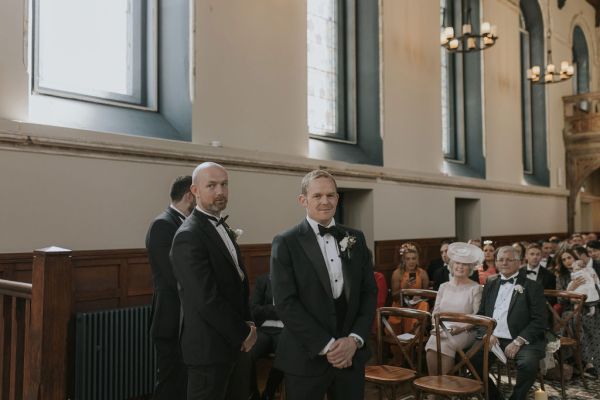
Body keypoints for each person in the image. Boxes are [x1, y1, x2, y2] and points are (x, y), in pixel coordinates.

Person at [270, 169, 377, 400]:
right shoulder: (286, 242)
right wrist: (328, 346)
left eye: (330, 195)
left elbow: (369, 293)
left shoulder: (356, 239)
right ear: (303, 200)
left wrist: (354, 339)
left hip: (351, 356)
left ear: (338, 199)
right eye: (317, 196)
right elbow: (285, 302)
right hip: (305, 357)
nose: (325, 201)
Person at [170, 162, 257, 400]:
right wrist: (244, 333)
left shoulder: (221, 225)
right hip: (209, 348)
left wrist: (248, 322)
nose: (220, 191)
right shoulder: (189, 235)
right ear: (195, 190)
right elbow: (206, 299)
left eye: (224, 184)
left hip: (234, 344)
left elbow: (237, 284)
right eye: (211, 185)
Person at [473, 246, 547, 400]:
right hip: (494, 338)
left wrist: (519, 340)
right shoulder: (491, 282)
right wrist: (488, 334)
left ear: (519, 263)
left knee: (528, 364)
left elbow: (540, 320)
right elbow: (481, 315)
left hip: (522, 339)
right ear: (496, 262)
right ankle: (494, 397)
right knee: (470, 359)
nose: (504, 263)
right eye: (500, 259)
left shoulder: (532, 286)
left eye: (509, 259)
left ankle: (517, 397)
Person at [145, 175, 195, 400]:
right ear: (189, 195)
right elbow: (171, 275)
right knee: (169, 380)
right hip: (171, 315)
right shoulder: (162, 225)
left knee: (184, 380)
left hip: (187, 318)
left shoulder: (186, 223)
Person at [425, 242, 483, 376]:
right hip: (443, 329)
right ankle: (434, 387)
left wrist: (461, 329)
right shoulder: (444, 286)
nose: (460, 267)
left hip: (467, 330)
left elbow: (477, 316)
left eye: (464, 264)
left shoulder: (475, 288)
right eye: (457, 263)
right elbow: (436, 312)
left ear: (470, 268)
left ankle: (446, 389)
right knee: (431, 343)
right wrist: (436, 326)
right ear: (452, 265)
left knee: (447, 344)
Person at [556, 248, 600, 377]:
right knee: (576, 320)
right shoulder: (562, 277)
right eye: (563, 260)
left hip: (591, 306)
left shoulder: (588, 271)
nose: (567, 261)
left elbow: (596, 290)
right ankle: (587, 363)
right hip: (571, 309)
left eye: (569, 257)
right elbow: (560, 300)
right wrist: (571, 289)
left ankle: (590, 362)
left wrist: (594, 282)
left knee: (590, 319)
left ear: (575, 258)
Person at [249, 274, 284, 400]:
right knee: (248, 353)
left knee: (285, 355)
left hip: (286, 332)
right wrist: (278, 310)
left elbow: (295, 309)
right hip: (264, 330)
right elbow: (254, 310)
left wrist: (267, 310)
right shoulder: (262, 281)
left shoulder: (295, 279)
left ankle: (269, 393)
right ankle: (253, 394)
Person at [390, 243, 429, 332]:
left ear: (417, 260)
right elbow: (394, 296)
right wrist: (404, 289)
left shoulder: (422, 273)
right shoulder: (397, 273)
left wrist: (420, 296)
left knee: (424, 304)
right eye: (408, 259)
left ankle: (416, 335)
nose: (411, 262)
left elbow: (426, 295)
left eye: (413, 258)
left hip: (417, 305)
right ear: (404, 260)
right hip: (401, 305)